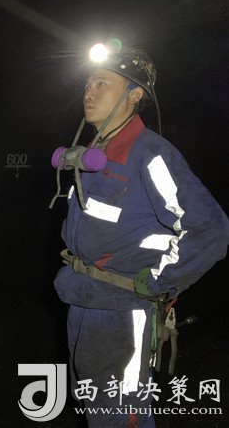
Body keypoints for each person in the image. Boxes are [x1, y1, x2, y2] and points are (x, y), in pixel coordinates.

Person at [52, 43, 229, 427]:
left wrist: (159, 280)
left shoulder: (150, 153)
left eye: (103, 83)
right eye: (87, 84)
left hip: (122, 307)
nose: (89, 92)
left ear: (134, 95)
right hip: (83, 299)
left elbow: (211, 229)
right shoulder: (92, 154)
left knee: (121, 414)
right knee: (96, 407)